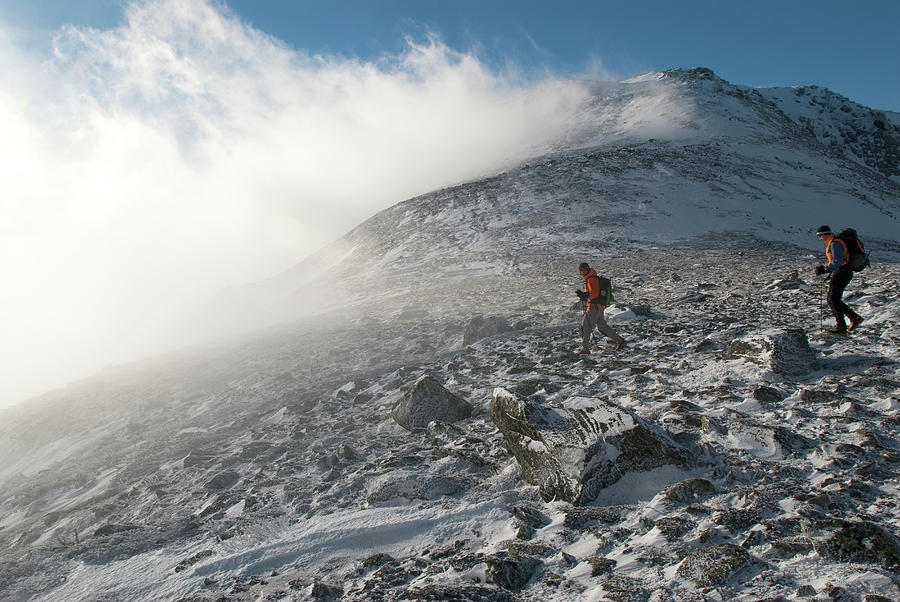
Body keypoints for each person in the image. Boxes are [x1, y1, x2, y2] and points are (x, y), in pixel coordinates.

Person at [814, 225, 863, 334]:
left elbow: (839, 260)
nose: (820, 238)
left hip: (842, 272)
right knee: (833, 299)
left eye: (820, 236)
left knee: (832, 299)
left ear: (825, 234)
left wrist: (826, 270)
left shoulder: (835, 243)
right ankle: (853, 318)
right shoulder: (835, 242)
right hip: (843, 272)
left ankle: (842, 327)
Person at [575, 262, 626, 354]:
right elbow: (594, 293)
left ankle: (584, 349)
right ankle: (620, 341)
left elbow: (593, 294)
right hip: (599, 306)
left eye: (582, 270)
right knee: (602, 327)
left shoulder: (591, 279)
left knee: (586, 326)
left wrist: (584, 296)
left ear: (586, 270)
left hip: (594, 307)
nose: (581, 272)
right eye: (580, 270)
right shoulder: (593, 278)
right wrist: (585, 295)